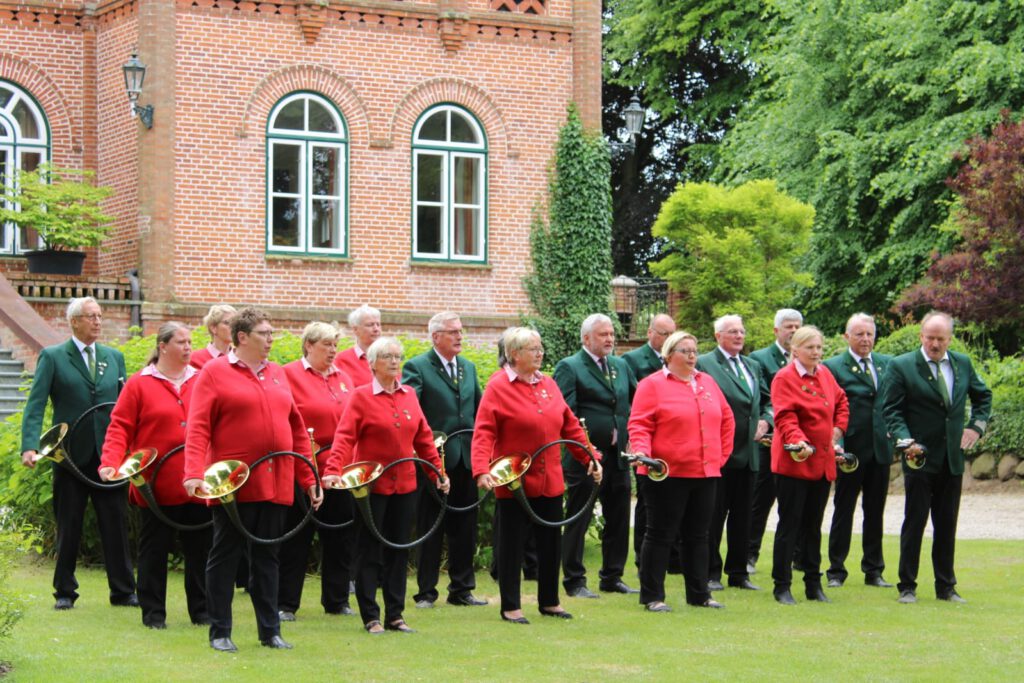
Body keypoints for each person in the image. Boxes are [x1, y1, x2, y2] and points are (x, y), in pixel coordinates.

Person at [183, 307, 321, 652]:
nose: (271, 339)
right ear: (242, 337)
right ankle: (220, 631)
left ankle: (270, 631)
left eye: (272, 333)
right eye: (264, 333)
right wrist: (193, 474)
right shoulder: (214, 372)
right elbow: (198, 428)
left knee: (267, 558)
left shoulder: (277, 373)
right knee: (225, 556)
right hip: (233, 484)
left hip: (276, 482)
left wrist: (309, 478)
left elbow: (296, 429)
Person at [472, 327, 602, 624]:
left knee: (550, 544)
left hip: (550, 479)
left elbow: (570, 426)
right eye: (533, 349)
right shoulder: (498, 386)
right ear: (514, 354)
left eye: (540, 347)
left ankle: (550, 601)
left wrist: (590, 457)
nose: (540, 353)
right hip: (514, 482)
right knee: (512, 545)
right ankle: (511, 606)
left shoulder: (548, 383)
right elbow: (484, 431)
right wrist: (481, 469)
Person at [321, 337, 450, 635]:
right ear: (373, 363)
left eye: (397, 356)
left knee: (398, 550)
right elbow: (344, 437)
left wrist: (437, 473)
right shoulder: (360, 396)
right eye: (387, 357)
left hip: (405, 486)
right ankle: (371, 616)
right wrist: (333, 470)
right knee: (368, 551)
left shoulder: (409, 395)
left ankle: (395, 615)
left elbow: (424, 439)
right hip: (371, 488)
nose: (394, 361)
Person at [20, 296, 136, 610]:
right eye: (91, 316)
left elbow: (125, 406)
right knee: (68, 525)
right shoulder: (53, 357)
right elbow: (36, 404)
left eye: (100, 316)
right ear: (74, 321)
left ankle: (123, 591)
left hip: (108, 456)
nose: (98, 321)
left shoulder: (114, 357)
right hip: (69, 456)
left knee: (115, 524)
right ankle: (64, 592)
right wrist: (30, 446)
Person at [99, 322, 211, 629]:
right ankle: (153, 614)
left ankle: (203, 612)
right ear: (162, 346)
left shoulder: (202, 379)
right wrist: (110, 462)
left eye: (190, 342)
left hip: (198, 483)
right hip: (154, 486)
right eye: (181, 342)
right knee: (153, 551)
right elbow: (119, 427)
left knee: (201, 551)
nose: (188, 347)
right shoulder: (139, 383)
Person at [882, 311, 991, 605]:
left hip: (951, 459)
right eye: (930, 338)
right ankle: (907, 586)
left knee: (946, 524)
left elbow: (983, 397)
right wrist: (906, 441)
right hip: (918, 457)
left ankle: (946, 587)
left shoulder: (962, 363)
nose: (934, 344)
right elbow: (891, 410)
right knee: (915, 521)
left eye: (940, 339)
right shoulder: (902, 366)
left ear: (949, 339)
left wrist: (975, 427)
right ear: (921, 336)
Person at [628, 331, 735, 612]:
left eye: (694, 350)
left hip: (705, 472)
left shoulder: (707, 382)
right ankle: (653, 596)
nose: (691, 356)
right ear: (668, 355)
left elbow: (727, 419)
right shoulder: (651, 385)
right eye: (685, 351)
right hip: (665, 473)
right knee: (660, 534)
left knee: (699, 535)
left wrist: (720, 456)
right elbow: (639, 424)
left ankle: (700, 594)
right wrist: (644, 453)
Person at [402, 312, 486, 609]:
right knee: (431, 526)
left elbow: (478, 411)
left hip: (465, 459)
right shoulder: (417, 367)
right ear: (436, 336)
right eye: (453, 332)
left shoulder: (468, 367)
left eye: (461, 331)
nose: (459, 336)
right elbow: (411, 410)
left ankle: (462, 589)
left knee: (465, 527)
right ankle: (426, 592)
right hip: (434, 461)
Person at [554, 314, 637, 598]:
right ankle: (574, 580)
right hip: (585, 458)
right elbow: (566, 413)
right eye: (603, 334)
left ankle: (612, 576)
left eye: (611, 333)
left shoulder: (620, 365)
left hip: (618, 455)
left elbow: (634, 402)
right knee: (579, 516)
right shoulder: (570, 366)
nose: (610, 339)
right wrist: (585, 451)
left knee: (619, 517)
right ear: (586, 338)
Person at [277, 322, 356, 621]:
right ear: (309, 345)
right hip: (302, 469)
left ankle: (337, 600)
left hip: (339, 471)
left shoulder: (343, 378)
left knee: (340, 538)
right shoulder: (288, 375)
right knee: (296, 539)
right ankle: (286, 603)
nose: (333, 350)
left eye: (335, 345)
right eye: (326, 344)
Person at [769, 325, 849, 605]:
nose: (816, 352)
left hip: (822, 462)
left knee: (814, 526)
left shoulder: (825, 374)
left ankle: (813, 584)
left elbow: (842, 402)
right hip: (795, 461)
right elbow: (785, 417)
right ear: (795, 350)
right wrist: (799, 441)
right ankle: (782, 585)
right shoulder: (784, 378)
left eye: (818, 347)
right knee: (790, 525)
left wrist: (837, 430)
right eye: (810, 348)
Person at [696, 315, 771, 592]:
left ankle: (738, 573)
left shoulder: (752, 365)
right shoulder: (705, 363)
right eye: (732, 332)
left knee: (743, 517)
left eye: (741, 331)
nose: (739, 336)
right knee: (714, 516)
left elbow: (767, 400)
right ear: (718, 336)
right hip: (721, 452)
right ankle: (710, 573)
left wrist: (767, 420)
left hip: (750, 453)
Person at [822, 313, 894, 589]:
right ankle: (836, 570)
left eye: (869, 334)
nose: (865, 339)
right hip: (850, 448)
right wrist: (834, 441)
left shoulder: (887, 364)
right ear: (847, 337)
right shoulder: (833, 367)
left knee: (875, 511)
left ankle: (874, 570)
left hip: (879, 448)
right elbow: (829, 407)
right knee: (844, 509)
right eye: (859, 334)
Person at [747, 308, 803, 573]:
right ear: (776, 330)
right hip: (770, 440)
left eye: (797, 326)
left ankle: (799, 556)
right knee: (761, 501)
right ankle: (749, 554)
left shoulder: (808, 360)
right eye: (789, 326)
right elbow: (762, 396)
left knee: (798, 503)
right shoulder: (760, 359)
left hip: (801, 441)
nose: (793, 331)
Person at [621, 313, 676, 573]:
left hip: (673, 439)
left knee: (674, 497)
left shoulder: (678, 361)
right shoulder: (632, 360)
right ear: (650, 333)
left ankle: (673, 554)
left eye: (672, 333)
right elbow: (629, 402)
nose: (669, 338)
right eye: (664, 334)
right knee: (647, 499)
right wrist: (634, 438)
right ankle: (643, 553)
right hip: (645, 440)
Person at [333, 304, 381, 387]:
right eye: (370, 325)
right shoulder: (342, 360)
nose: (376, 329)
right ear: (355, 329)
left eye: (378, 324)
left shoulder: (390, 357)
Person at [189, 304, 237, 369]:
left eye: (235, 323)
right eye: (227, 322)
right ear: (213, 328)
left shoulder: (240, 359)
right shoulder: (195, 358)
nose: (233, 327)